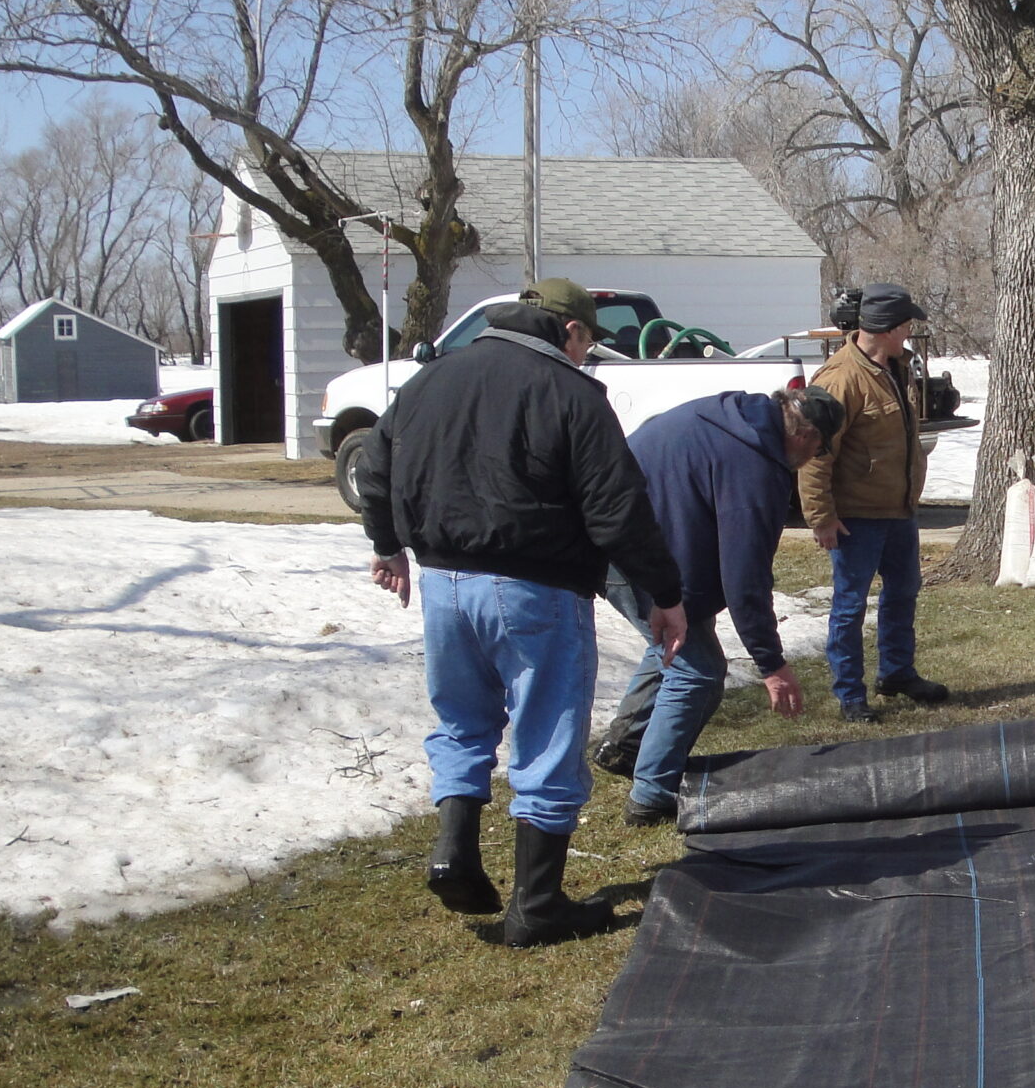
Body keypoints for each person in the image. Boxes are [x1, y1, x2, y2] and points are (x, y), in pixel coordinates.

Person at [362, 278, 688, 944]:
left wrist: (387, 543)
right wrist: (663, 593)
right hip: (534, 587)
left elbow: (375, 463)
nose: (586, 356)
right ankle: (537, 905)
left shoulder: (429, 379)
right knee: (546, 734)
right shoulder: (571, 394)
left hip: (443, 582)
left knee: (462, 721)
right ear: (569, 332)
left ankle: (455, 850)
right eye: (588, 343)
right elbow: (617, 508)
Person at [595, 384, 846, 826]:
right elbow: (744, 577)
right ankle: (650, 796)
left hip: (620, 537)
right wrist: (772, 665)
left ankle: (627, 744)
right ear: (805, 436)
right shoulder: (756, 464)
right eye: (819, 450)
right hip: (624, 551)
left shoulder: (731, 417)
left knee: (680, 641)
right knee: (700, 670)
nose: (812, 460)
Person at [798, 283, 949, 723]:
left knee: (903, 592)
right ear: (885, 328)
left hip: (899, 509)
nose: (909, 333)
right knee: (850, 607)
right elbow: (815, 453)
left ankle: (897, 673)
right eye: (905, 325)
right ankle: (849, 694)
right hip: (856, 518)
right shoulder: (839, 378)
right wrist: (821, 517)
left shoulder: (898, 367)